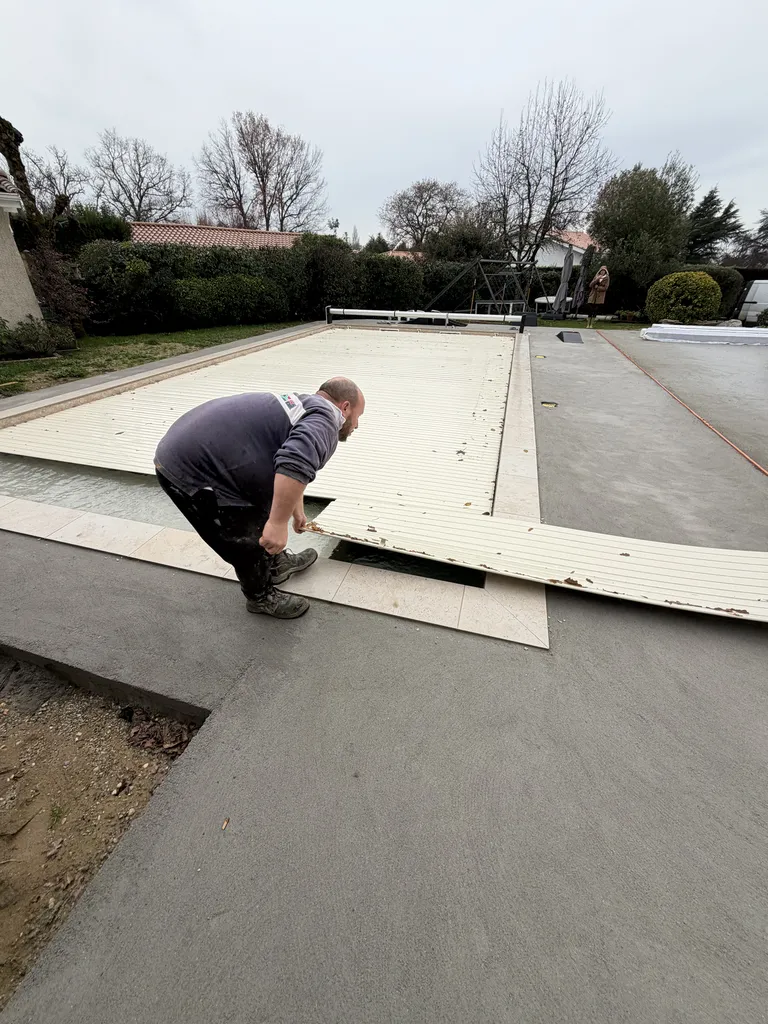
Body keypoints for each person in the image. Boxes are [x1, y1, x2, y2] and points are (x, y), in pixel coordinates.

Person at [154, 377, 365, 619]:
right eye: (358, 417)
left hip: (207, 455)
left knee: (265, 509)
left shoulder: (306, 407)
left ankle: (275, 564)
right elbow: (295, 464)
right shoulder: (326, 421)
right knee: (243, 539)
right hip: (190, 471)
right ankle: (260, 596)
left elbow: (289, 460)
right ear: (345, 407)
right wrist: (277, 524)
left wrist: (295, 510)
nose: (356, 425)